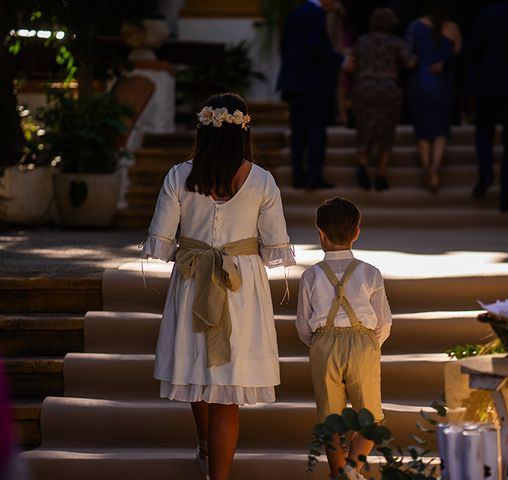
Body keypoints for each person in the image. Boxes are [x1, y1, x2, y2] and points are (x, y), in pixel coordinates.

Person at [140, 93, 295, 480]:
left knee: (196, 371)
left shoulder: (179, 176)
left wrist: (195, 240)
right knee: (227, 391)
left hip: (192, 279)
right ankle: (219, 474)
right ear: (244, 132)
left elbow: (160, 239)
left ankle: (206, 445)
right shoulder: (261, 180)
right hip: (241, 286)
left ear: (202, 130)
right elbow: (275, 244)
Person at [296, 197, 392, 480]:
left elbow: (303, 324)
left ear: (320, 234)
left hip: (323, 344)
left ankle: (342, 474)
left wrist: (318, 344)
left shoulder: (311, 276)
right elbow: (383, 321)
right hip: (363, 343)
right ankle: (351, 471)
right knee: (371, 418)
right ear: (357, 232)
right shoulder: (370, 273)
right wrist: (371, 344)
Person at [277, 0, 348, 190]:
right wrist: (340, 60)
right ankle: (314, 177)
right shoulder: (317, 15)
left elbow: (283, 45)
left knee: (298, 132)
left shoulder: (295, 13)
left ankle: (298, 177)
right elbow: (315, 45)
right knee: (316, 131)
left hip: (293, 83)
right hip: (313, 84)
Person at [350, 8, 416, 191]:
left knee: (364, 127)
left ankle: (363, 163)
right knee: (386, 131)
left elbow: (350, 63)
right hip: (388, 88)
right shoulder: (396, 43)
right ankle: (381, 174)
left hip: (364, 87)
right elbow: (410, 62)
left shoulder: (362, 41)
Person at [467, 0, 508, 212]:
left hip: (487, 83)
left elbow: (474, 52)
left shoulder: (486, 15)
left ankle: (487, 171)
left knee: (484, 133)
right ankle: (507, 192)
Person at [406, 0, 462, 192]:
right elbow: (457, 56)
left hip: (420, 80)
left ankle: (426, 165)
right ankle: (435, 167)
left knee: (423, 129)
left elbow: (409, 55)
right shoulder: (453, 28)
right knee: (440, 128)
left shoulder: (415, 26)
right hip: (443, 82)